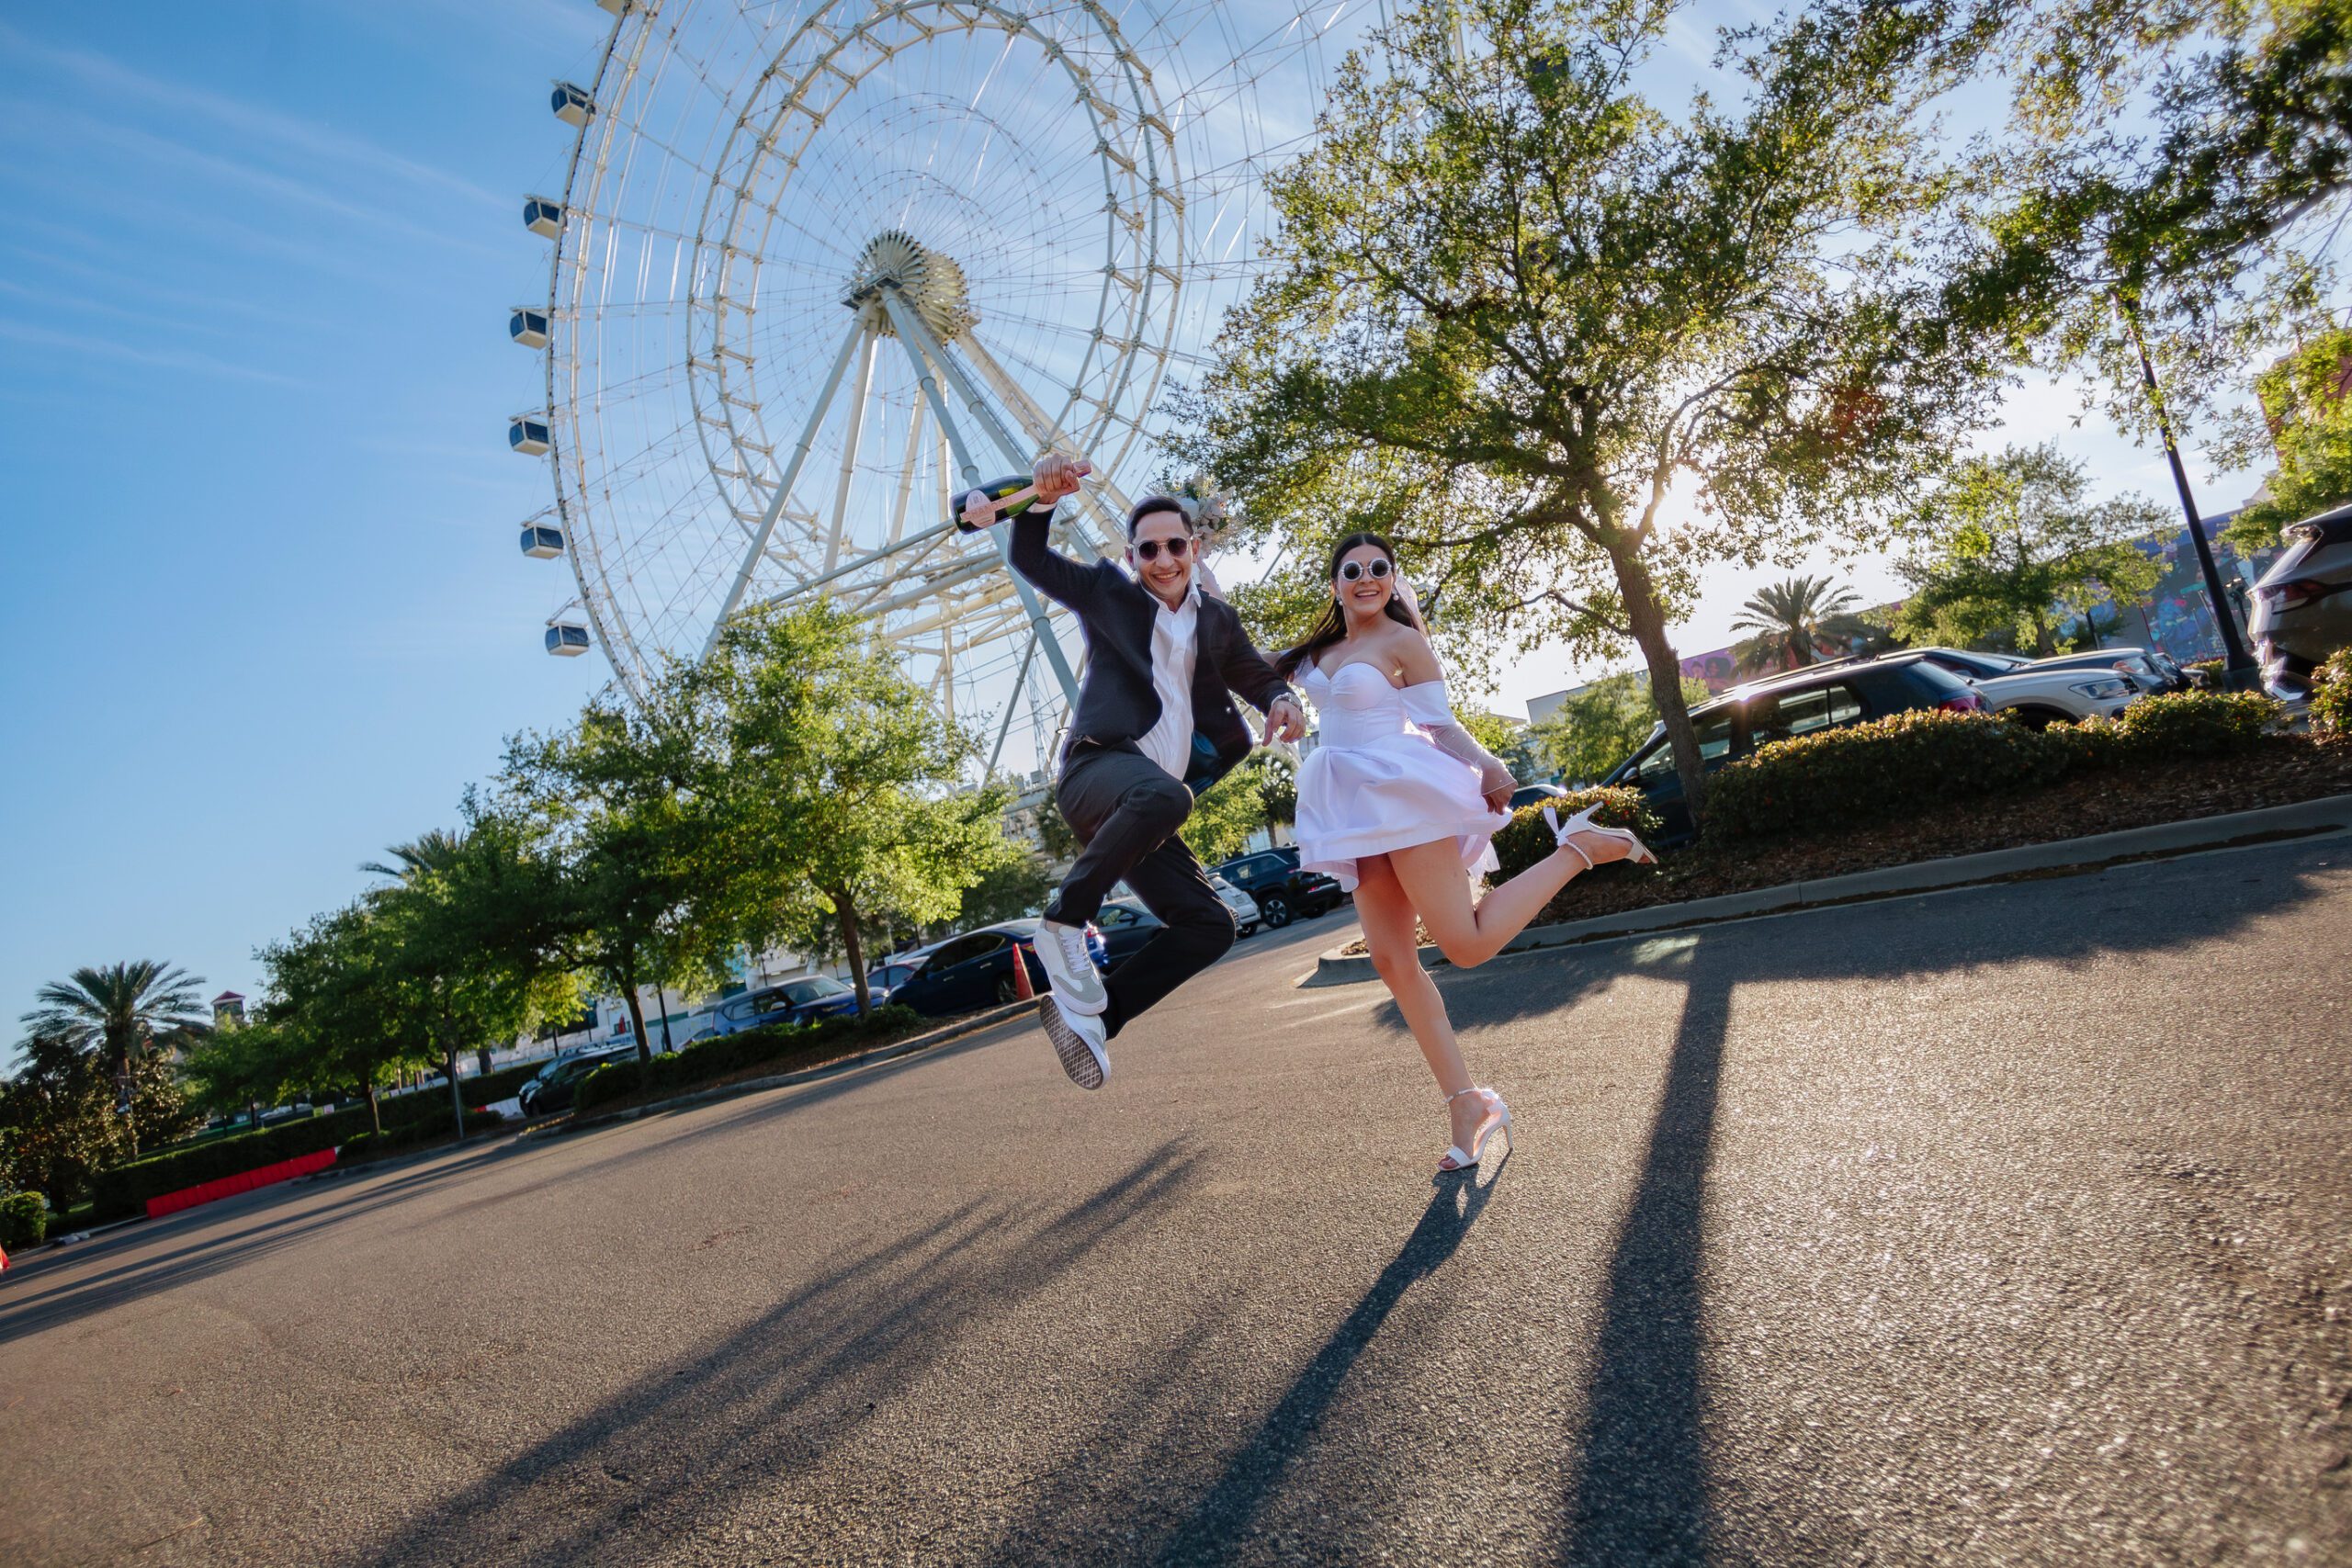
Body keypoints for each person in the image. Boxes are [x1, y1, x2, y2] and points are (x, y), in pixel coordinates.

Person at [1284, 531, 1652, 1174]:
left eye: (1379, 568)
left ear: (1392, 580)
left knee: (1466, 944)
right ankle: (1468, 1104)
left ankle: (1577, 850)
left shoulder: (1402, 642)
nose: (1367, 577)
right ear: (1335, 583)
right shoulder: (1317, 652)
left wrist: (1486, 763)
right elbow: (1241, 660)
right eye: (1353, 569)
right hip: (1353, 811)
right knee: (1392, 961)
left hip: (1404, 795)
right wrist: (1198, 573)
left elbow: (1439, 722)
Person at [967, 454, 1307, 1089]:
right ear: (1131, 557)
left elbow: (1251, 673)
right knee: (1167, 796)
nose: (1164, 559)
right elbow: (1031, 560)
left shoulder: (1216, 619)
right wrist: (1041, 500)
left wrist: (1281, 700)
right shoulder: (1110, 595)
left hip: (1146, 811)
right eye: (1148, 549)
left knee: (1212, 925)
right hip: (1097, 772)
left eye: (1175, 545)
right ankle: (1062, 925)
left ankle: (1099, 1020)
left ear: (1194, 548)